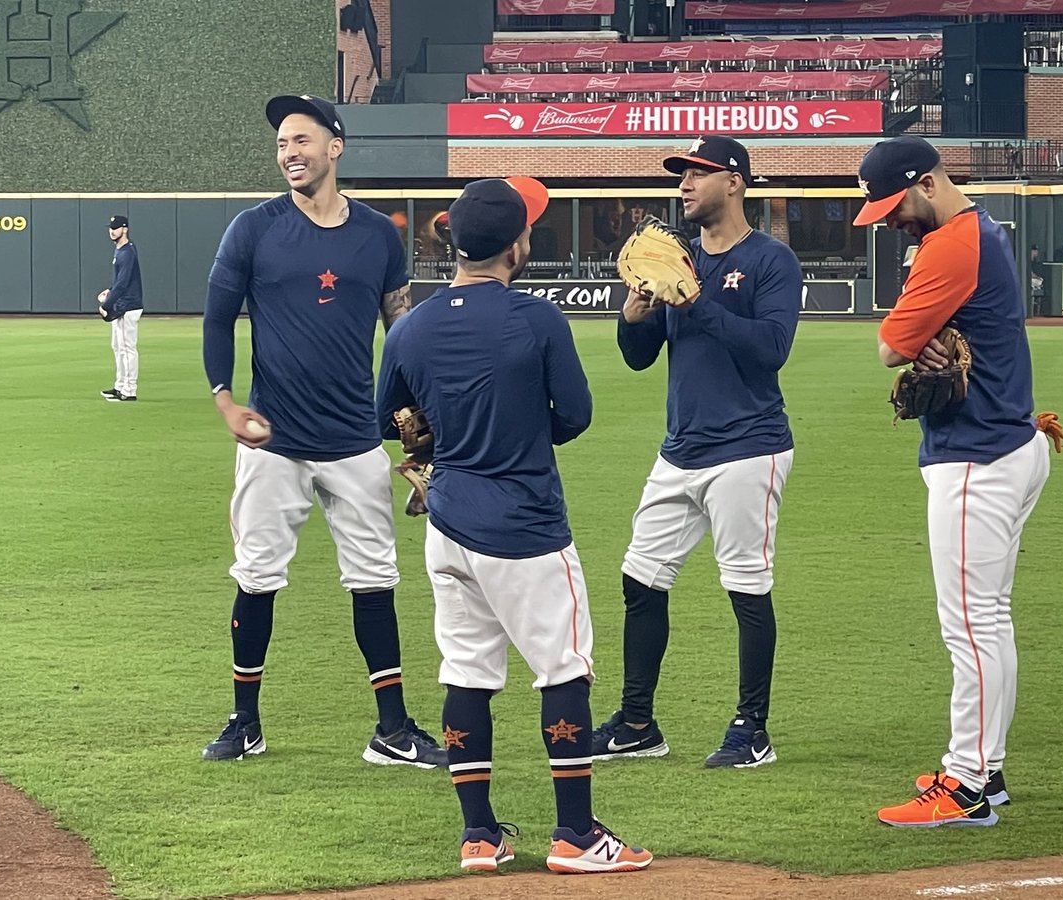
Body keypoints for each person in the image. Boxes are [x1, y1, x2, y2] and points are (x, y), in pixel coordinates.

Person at [376, 177, 652, 875]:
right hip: (526, 525)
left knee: (466, 671)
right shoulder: (537, 319)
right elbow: (577, 415)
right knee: (563, 667)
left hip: (448, 520)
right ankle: (577, 835)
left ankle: (479, 837)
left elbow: (392, 420)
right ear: (517, 244)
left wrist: (445, 438)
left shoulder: (410, 326)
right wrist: (525, 428)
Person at [198, 94, 446, 768]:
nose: (290, 154)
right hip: (272, 441)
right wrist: (224, 401)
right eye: (282, 143)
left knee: (374, 582)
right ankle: (244, 722)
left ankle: (392, 729)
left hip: (356, 442)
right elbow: (217, 320)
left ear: (336, 147)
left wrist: (421, 411)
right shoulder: (252, 228)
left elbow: (401, 329)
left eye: (302, 140)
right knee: (256, 578)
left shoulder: (376, 235)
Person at [853, 135, 1059, 827]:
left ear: (927, 184)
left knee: (969, 629)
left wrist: (919, 329)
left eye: (893, 206)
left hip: (978, 457)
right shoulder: (985, 227)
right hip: (1010, 442)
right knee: (989, 624)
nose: (889, 221)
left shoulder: (950, 245)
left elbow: (890, 347)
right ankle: (986, 770)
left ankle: (965, 786)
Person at [591, 135, 803, 769]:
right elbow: (638, 359)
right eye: (681, 175)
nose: (683, 184)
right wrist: (632, 315)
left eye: (697, 173)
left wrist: (696, 301)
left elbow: (770, 350)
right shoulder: (673, 260)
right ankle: (636, 723)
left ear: (734, 182)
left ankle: (751, 729)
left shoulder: (771, 260)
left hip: (748, 447)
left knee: (746, 586)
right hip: (680, 450)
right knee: (640, 577)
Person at [98, 215, 143, 402]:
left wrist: (106, 305)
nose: (112, 230)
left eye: (116, 227)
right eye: (111, 227)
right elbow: (119, 282)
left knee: (126, 348)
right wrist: (110, 292)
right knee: (118, 347)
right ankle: (120, 386)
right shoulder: (121, 250)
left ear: (125, 229)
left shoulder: (127, 252)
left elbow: (123, 284)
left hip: (128, 306)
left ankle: (129, 390)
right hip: (121, 304)